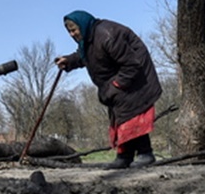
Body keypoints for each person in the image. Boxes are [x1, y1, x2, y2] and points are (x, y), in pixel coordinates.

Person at [55, 10, 162, 168]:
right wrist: (69, 61)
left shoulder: (107, 35)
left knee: (131, 116)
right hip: (119, 80)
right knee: (121, 117)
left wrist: (116, 85)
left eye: (74, 29)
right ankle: (125, 156)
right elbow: (84, 55)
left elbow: (131, 64)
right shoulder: (88, 39)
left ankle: (145, 153)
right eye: (69, 31)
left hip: (137, 79)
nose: (72, 34)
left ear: (83, 25)